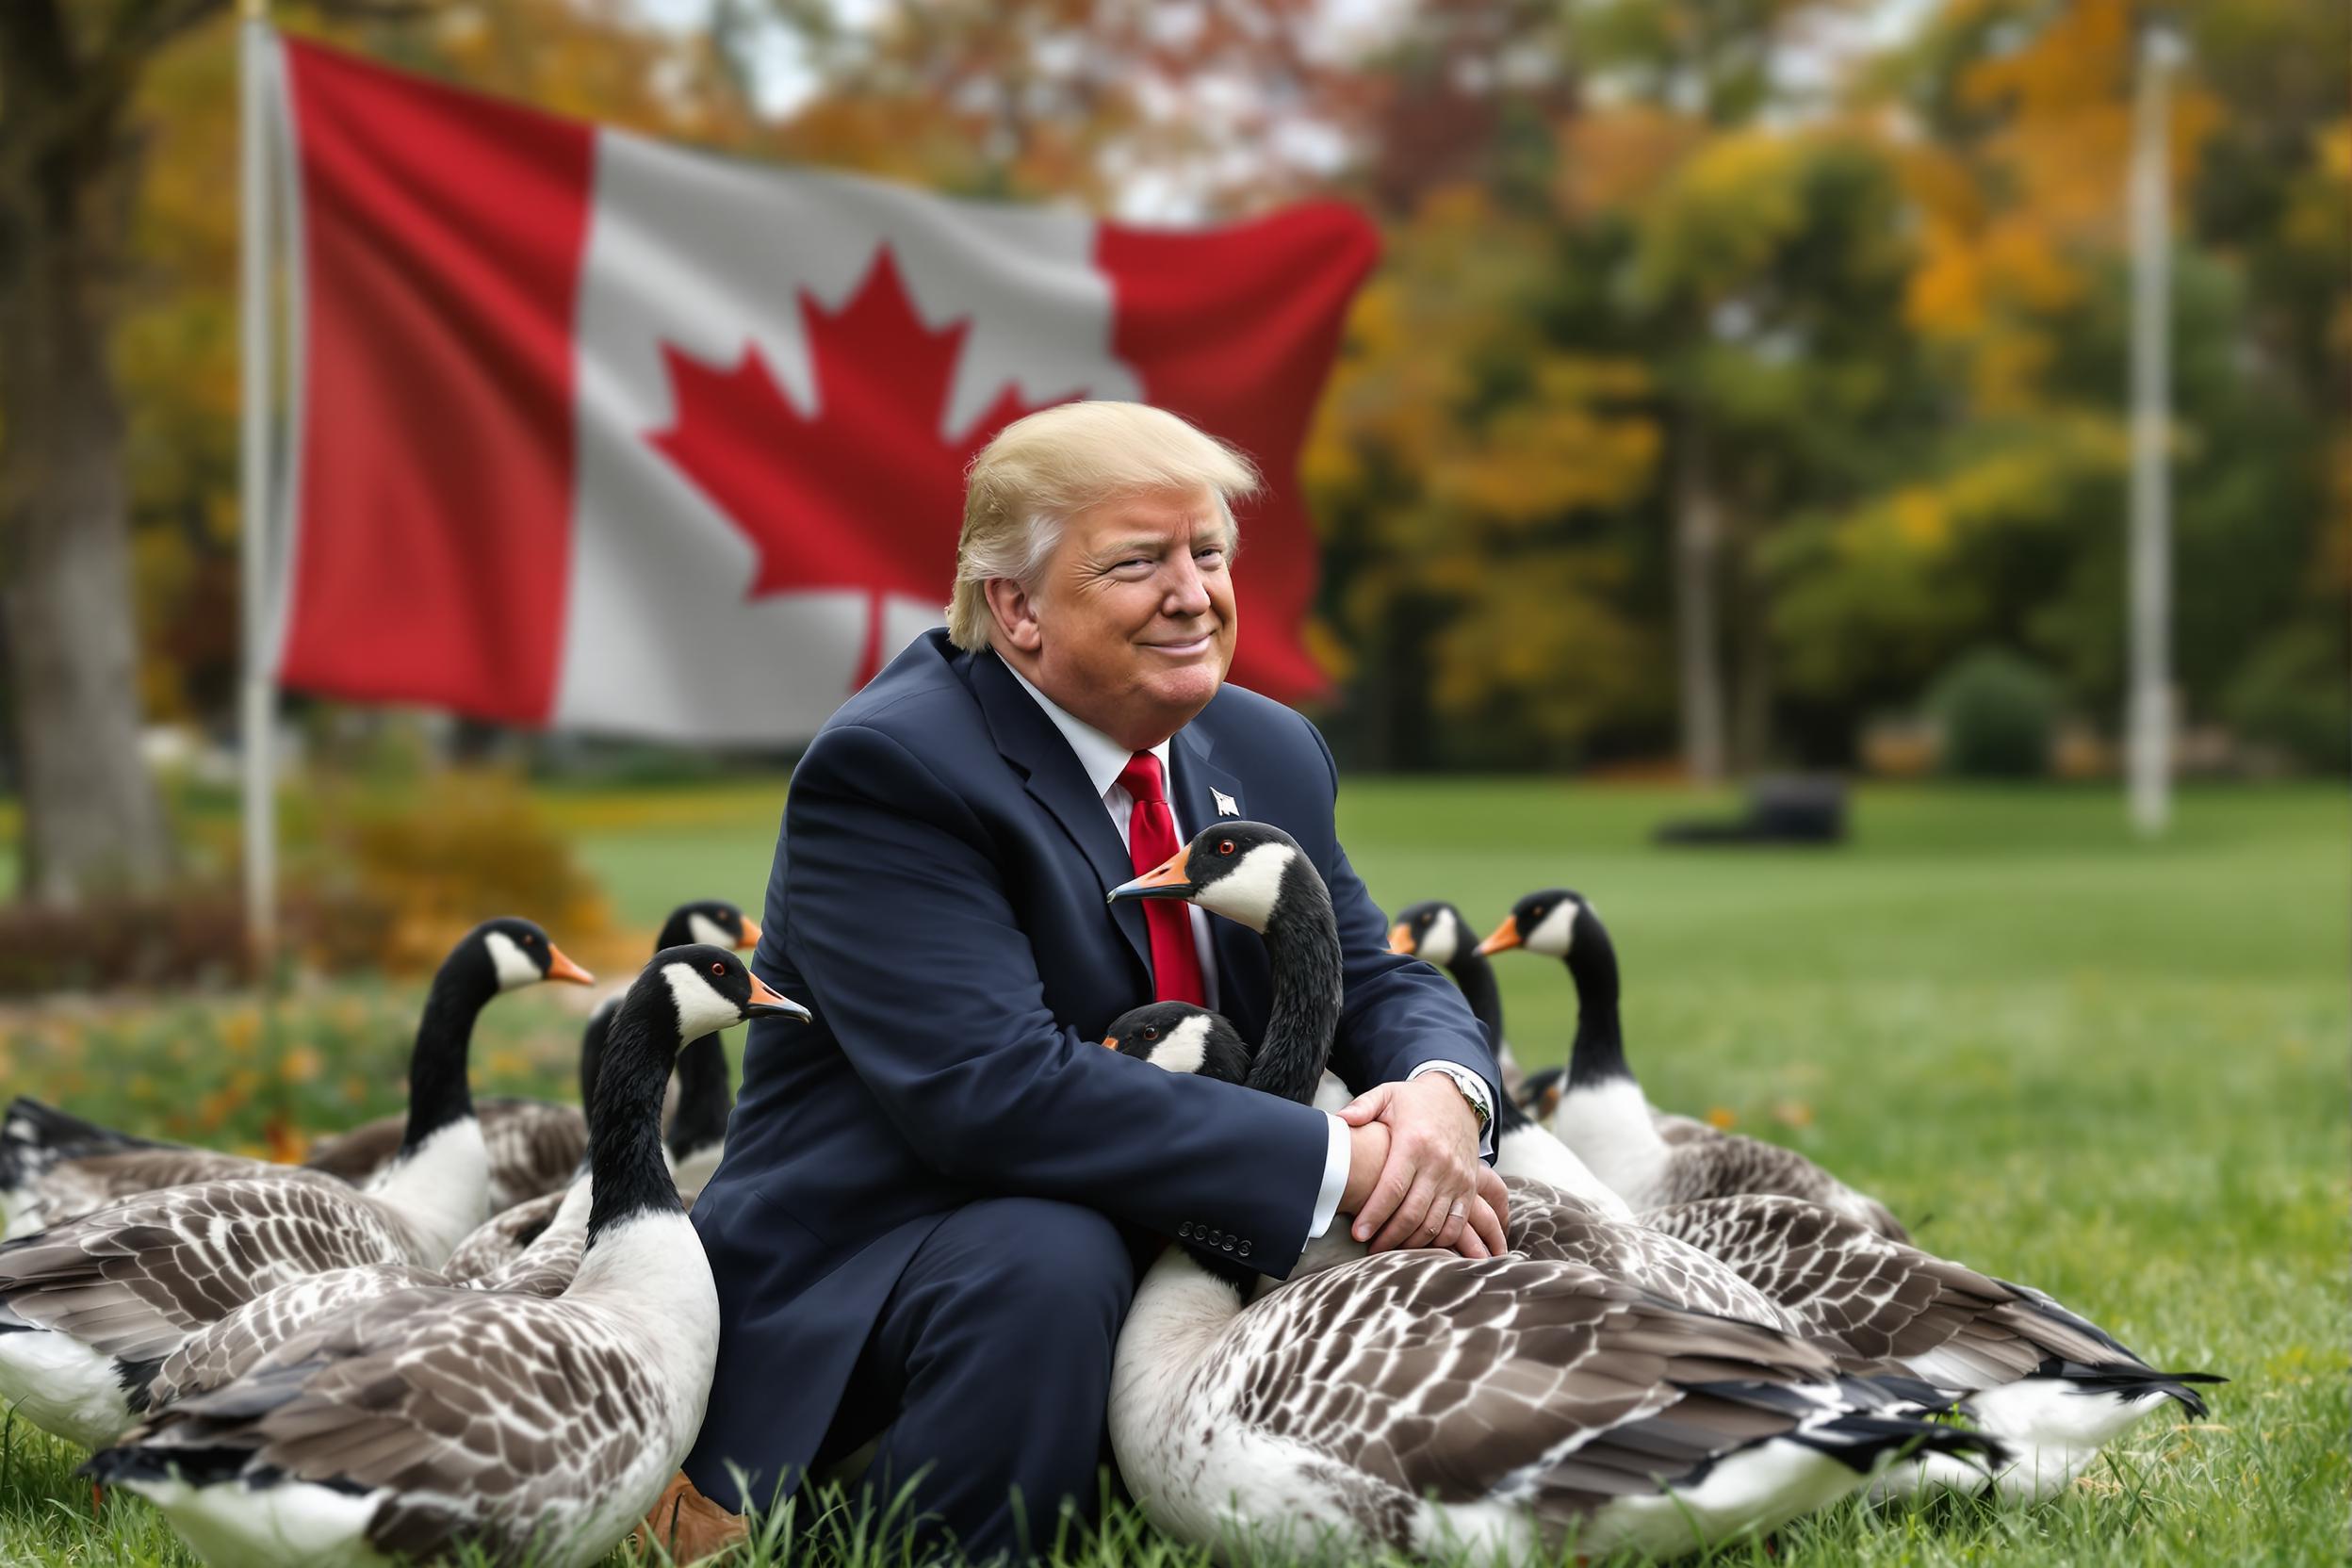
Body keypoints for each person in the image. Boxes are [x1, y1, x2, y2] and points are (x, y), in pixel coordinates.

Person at [660, 401, 1503, 1563]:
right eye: (1136, 564)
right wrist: (1339, 1162)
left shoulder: (1267, 749)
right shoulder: (895, 769)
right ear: (1015, 607)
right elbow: (991, 1090)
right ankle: (888, 1523)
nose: (1193, 593)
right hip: (906, 1256)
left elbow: (1366, 968)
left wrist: (1441, 1093)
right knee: (1045, 1255)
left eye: (1207, 552)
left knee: (1445, 1214)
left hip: (1167, 1229)